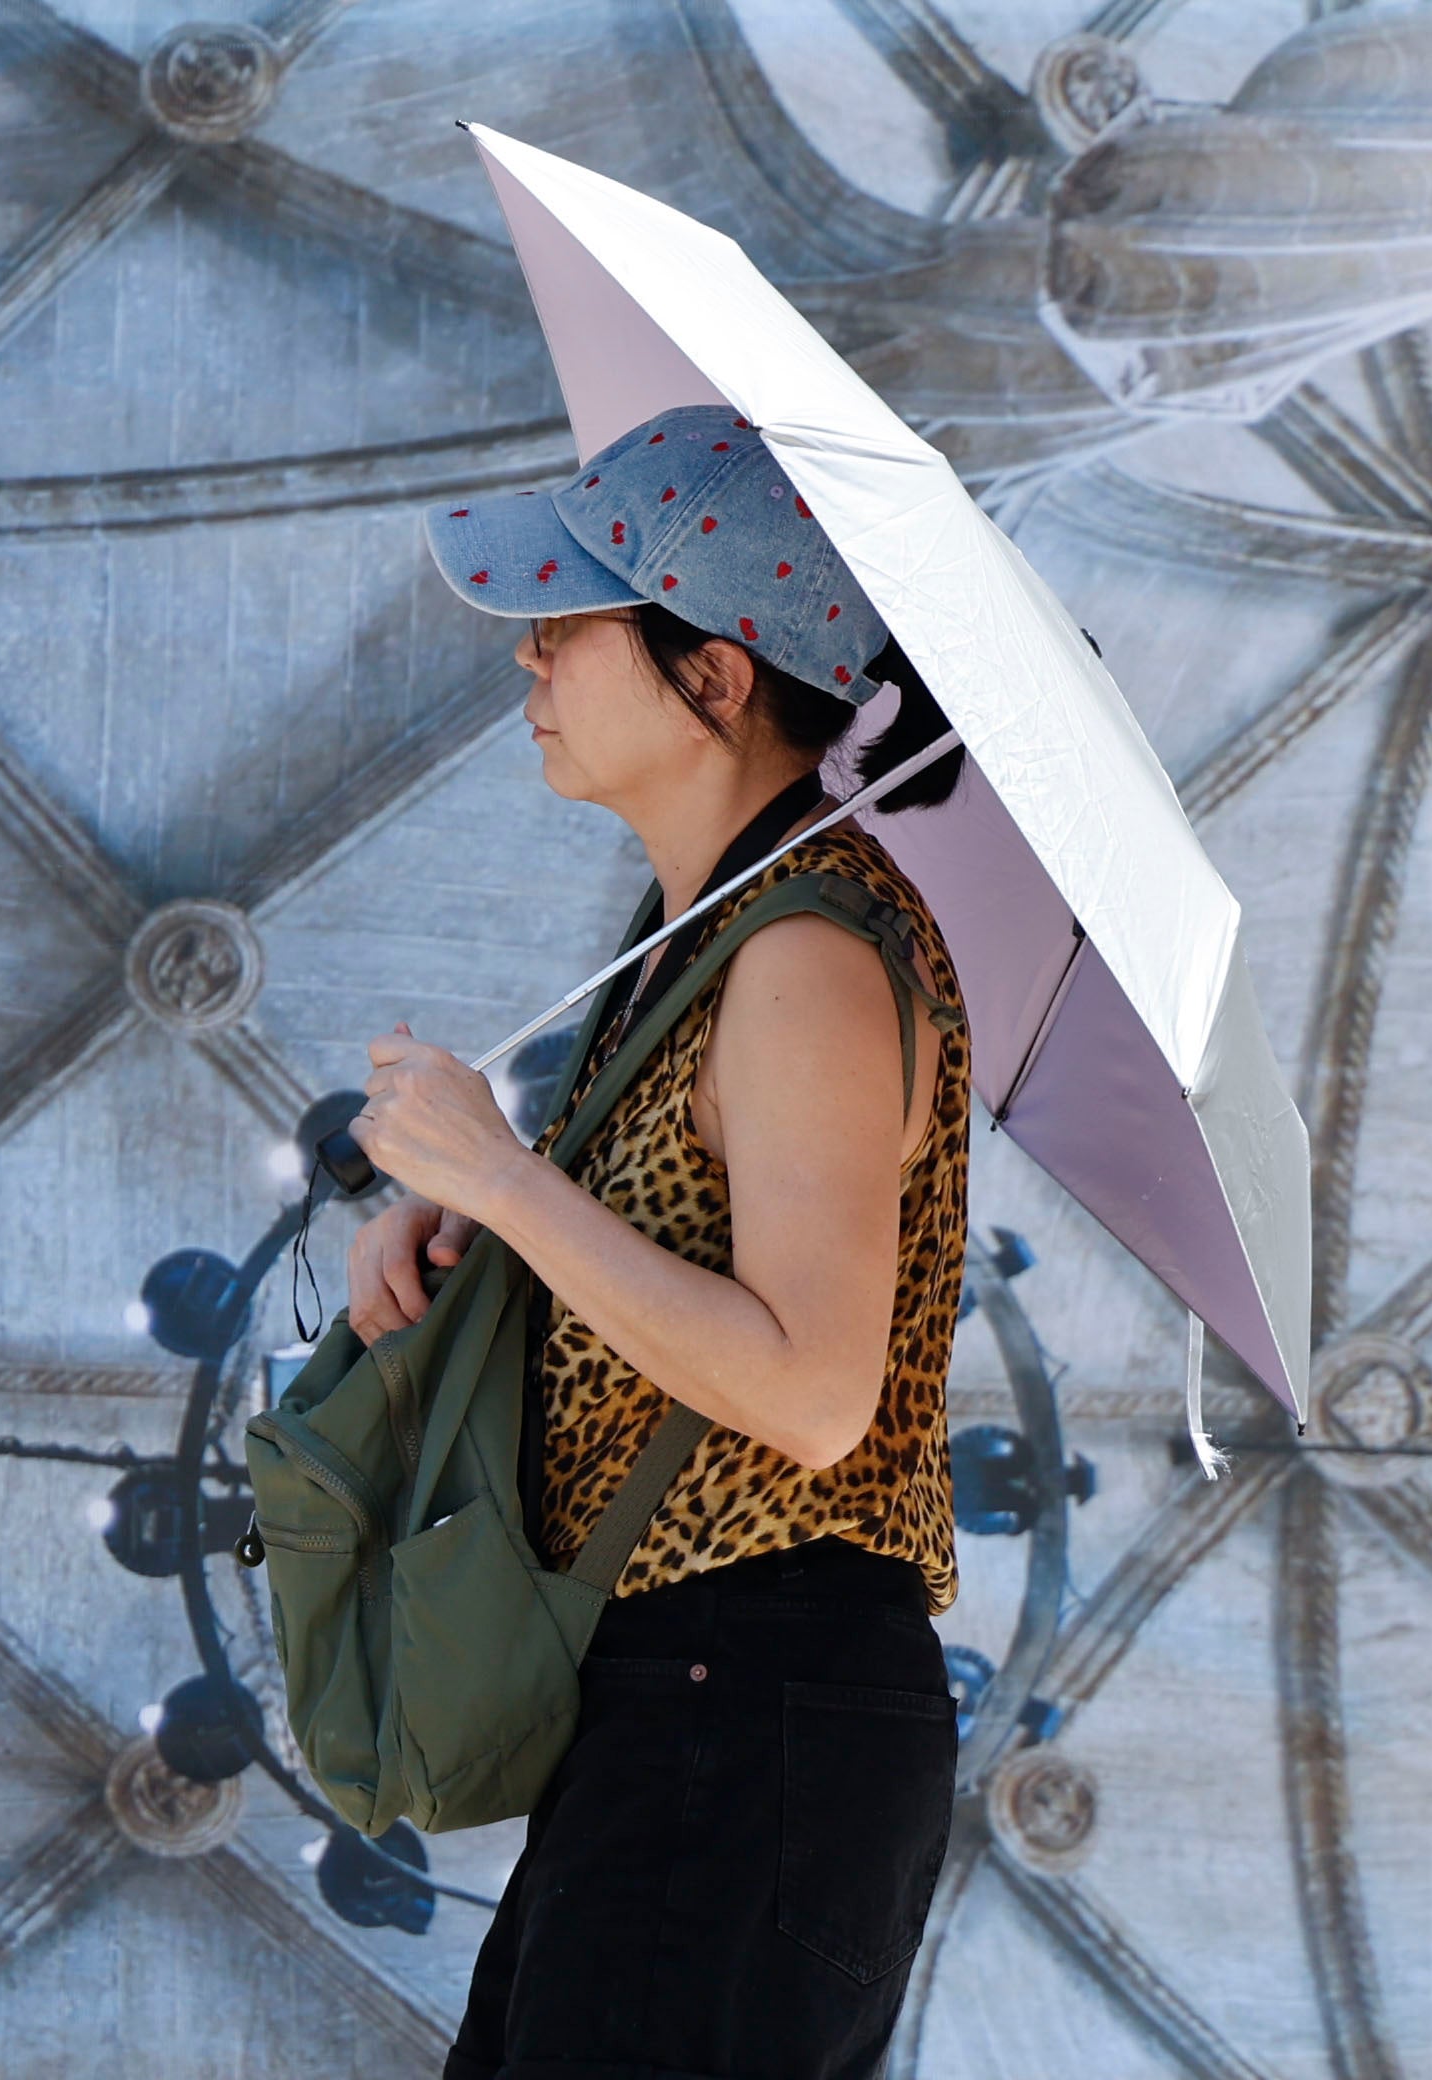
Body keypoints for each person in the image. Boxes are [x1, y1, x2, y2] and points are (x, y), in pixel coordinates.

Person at [344, 403, 973, 2080]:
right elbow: (674, 1300)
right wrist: (484, 1236)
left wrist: (515, 1185)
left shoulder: (809, 957)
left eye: (571, 621)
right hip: (681, 1704)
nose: (532, 658)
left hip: (746, 1702)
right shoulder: (707, 939)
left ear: (715, 678)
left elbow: (815, 1390)